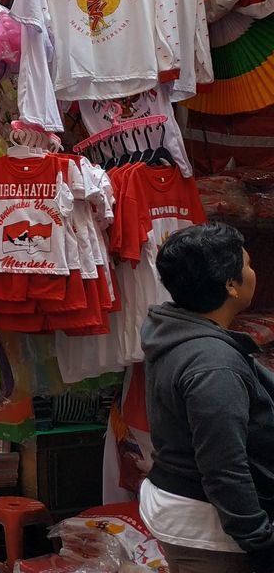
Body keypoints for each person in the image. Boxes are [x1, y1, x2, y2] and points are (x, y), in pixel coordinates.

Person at [140, 223, 274, 573]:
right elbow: (224, 468)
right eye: (245, 265)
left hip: (184, 504)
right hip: (208, 527)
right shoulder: (213, 364)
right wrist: (261, 541)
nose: (252, 272)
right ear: (230, 285)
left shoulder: (175, 329)